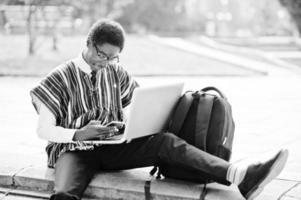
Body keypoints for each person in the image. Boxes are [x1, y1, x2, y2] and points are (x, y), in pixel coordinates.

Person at [30, 19, 288, 200]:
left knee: (164, 142)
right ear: (89, 43)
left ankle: (241, 175)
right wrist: (78, 135)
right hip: (73, 152)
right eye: (101, 55)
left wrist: (127, 125)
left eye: (113, 57)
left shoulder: (115, 71)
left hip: (112, 148)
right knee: (64, 194)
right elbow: (44, 130)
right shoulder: (59, 77)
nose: (106, 63)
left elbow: (139, 104)